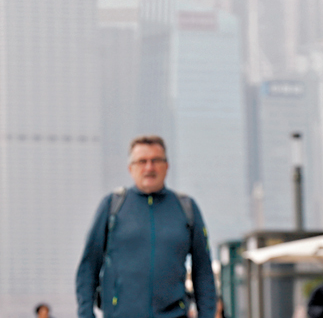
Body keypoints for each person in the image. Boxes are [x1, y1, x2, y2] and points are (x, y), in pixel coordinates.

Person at [75, 135, 217, 318]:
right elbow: (88, 267)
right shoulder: (112, 206)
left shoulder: (186, 208)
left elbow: (203, 271)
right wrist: (86, 314)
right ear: (130, 168)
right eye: (142, 161)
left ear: (167, 166)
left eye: (156, 160)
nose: (149, 167)